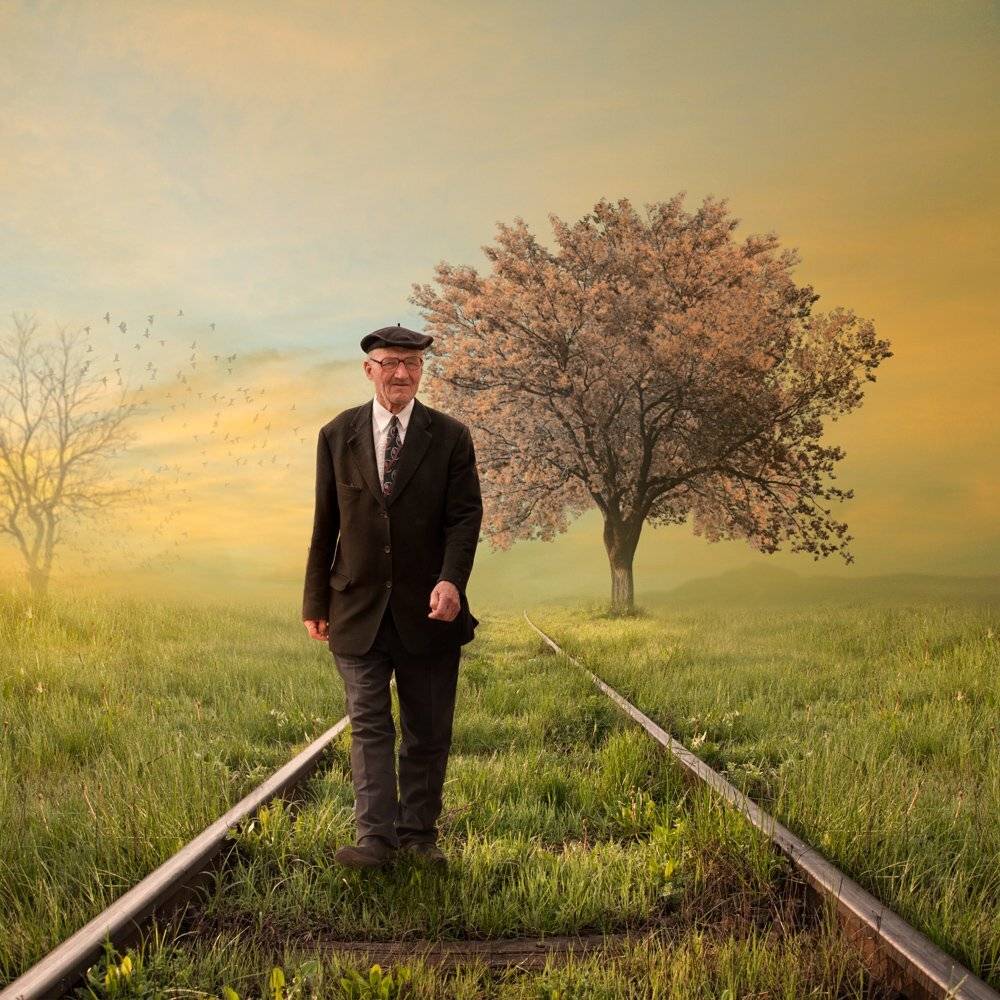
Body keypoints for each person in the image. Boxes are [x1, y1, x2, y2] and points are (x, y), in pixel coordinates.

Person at [302, 323, 483, 869]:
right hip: (355, 607)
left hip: (429, 611)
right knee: (370, 726)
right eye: (390, 363)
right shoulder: (336, 434)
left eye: (412, 363)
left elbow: (464, 518)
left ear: (421, 370)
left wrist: (451, 580)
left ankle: (419, 838)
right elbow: (325, 522)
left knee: (427, 731)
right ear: (369, 369)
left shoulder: (450, 436)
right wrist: (315, 601)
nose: (401, 373)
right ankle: (375, 841)